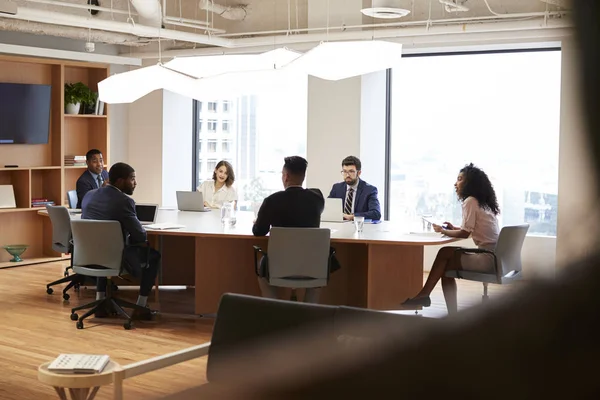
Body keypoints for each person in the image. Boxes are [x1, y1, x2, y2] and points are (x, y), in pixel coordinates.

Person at [401, 163, 500, 314]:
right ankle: (430, 299)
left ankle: (425, 295)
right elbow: (471, 228)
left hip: (487, 258)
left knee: (444, 253)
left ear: (470, 183)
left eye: (460, 179)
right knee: (446, 268)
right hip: (495, 256)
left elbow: (465, 234)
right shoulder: (484, 203)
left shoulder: (470, 201)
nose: (456, 183)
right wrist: (453, 228)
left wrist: (443, 231)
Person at [81, 162, 160, 320]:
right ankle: (141, 306)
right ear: (119, 181)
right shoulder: (124, 201)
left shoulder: (89, 195)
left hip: (87, 256)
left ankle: (99, 302)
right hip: (115, 258)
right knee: (154, 256)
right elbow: (140, 237)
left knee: (102, 247)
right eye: (132, 179)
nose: (135, 183)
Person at [252, 156, 326, 301]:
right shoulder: (317, 198)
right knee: (320, 265)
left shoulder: (272, 201)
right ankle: (311, 309)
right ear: (304, 176)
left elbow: (258, 231)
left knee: (260, 265)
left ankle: (274, 306)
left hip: (279, 266)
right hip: (312, 265)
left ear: (285, 176)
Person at [328, 156, 381, 221]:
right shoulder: (337, 188)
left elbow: (376, 214)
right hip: (339, 227)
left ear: (359, 173)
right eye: (344, 171)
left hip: (359, 228)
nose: (347, 175)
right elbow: (327, 209)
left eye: (351, 171)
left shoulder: (369, 190)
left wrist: (352, 217)